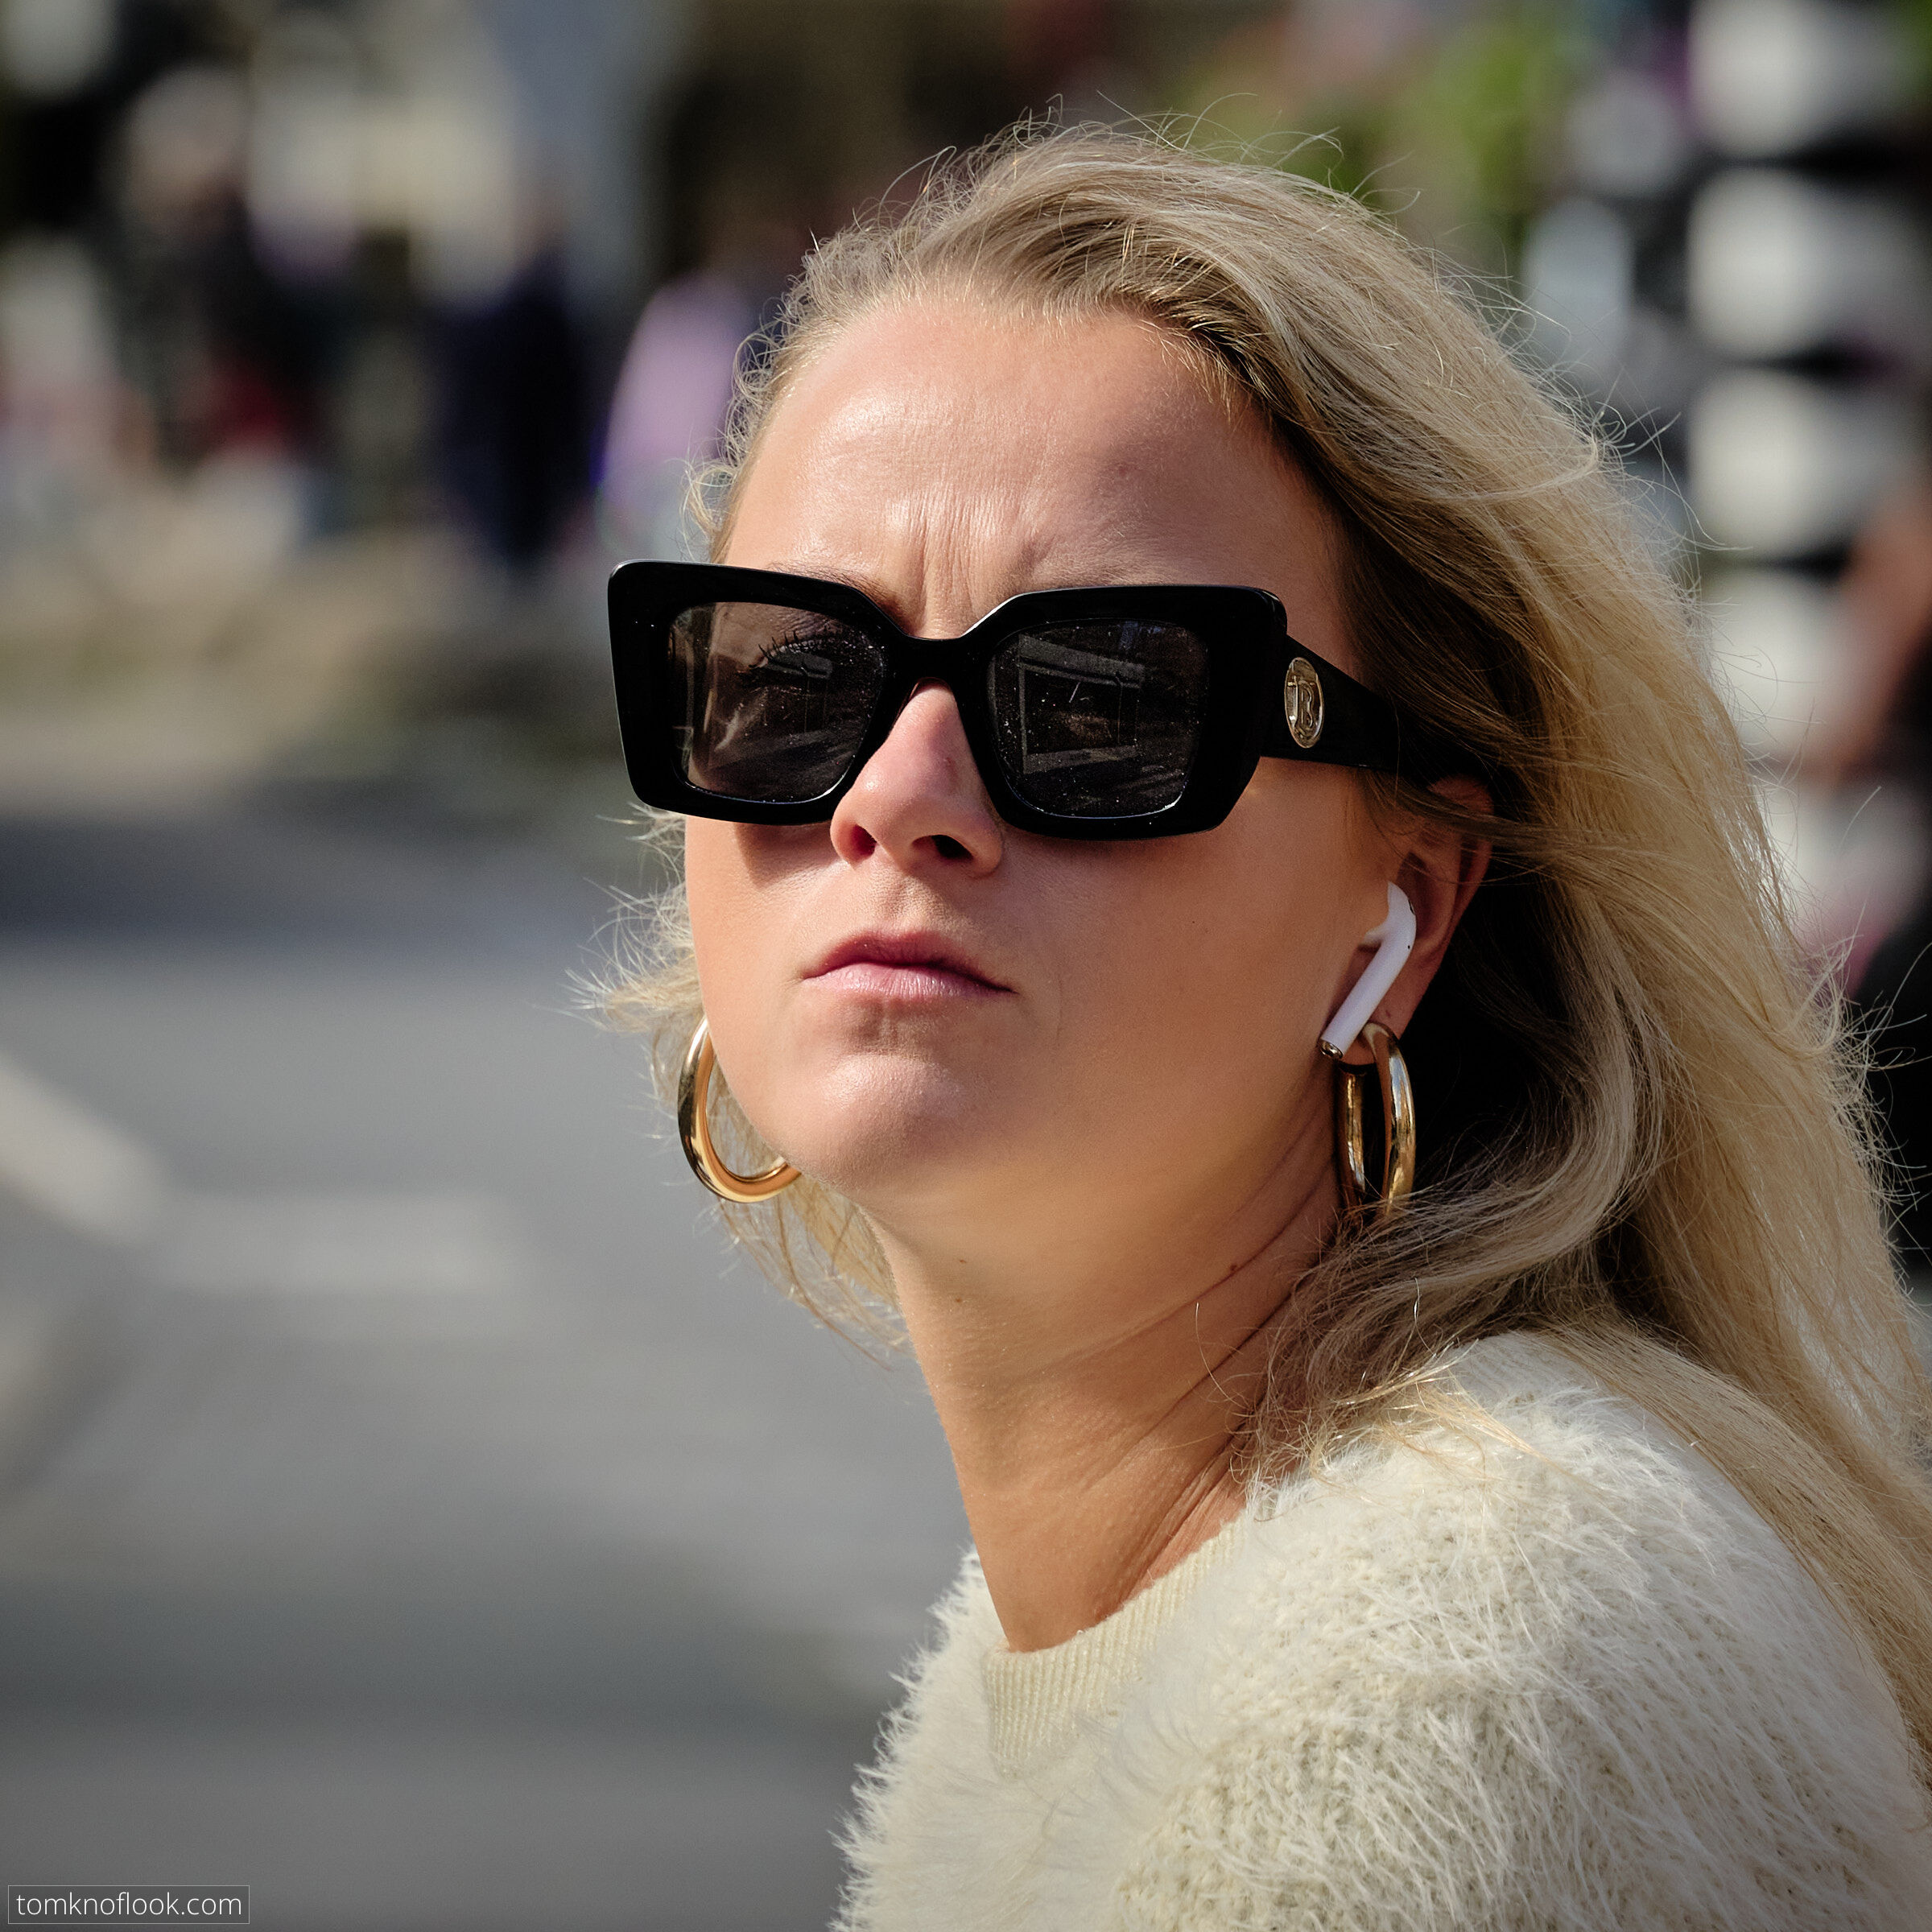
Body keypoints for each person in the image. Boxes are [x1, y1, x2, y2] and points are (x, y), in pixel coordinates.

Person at [605, 128, 1932, 1927]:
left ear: (1405, 906)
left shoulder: (1465, 1670)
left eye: (1099, 701)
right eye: (792, 677)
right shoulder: (1192, 1615)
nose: (894, 797)